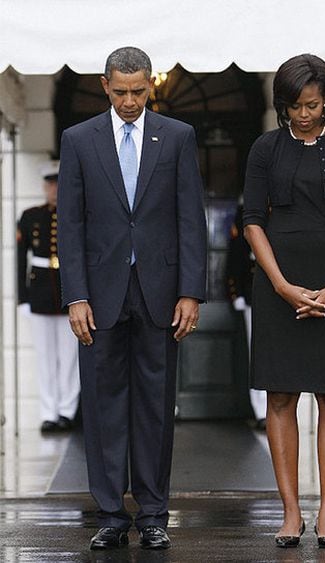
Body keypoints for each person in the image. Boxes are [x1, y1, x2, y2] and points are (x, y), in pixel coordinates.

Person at [57, 46, 207, 551]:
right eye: (120, 92)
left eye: (138, 91)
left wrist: (191, 291)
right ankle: (110, 515)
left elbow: (192, 217)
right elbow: (70, 224)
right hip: (97, 297)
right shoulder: (78, 139)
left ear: (152, 86)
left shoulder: (179, 138)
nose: (129, 101)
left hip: (161, 294)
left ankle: (153, 513)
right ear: (105, 86)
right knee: (101, 407)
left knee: (155, 408)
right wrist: (74, 295)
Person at [243, 54, 325, 549]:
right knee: (280, 395)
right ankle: (291, 513)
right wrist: (278, 283)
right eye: (295, 105)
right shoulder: (264, 148)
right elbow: (252, 218)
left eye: (313, 105)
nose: (303, 114)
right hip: (278, 285)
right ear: (283, 105)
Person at [17, 161, 80, 433]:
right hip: (40, 291)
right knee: (44, 357)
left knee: (69, 357)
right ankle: (48, 412)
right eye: (50, 184)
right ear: (44, 186)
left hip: (67, 292)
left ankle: (67, 411)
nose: (54, 189)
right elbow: (21, 260)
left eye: (58, 183)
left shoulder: (74, 214)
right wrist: (22, 298)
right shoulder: (30, 215)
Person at [227, 198, 267, 428]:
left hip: (281, 294)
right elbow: (237, 253)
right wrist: (236, 291)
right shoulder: (244, 210)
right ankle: (261, 410)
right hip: (252, 292)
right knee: (257, 351)